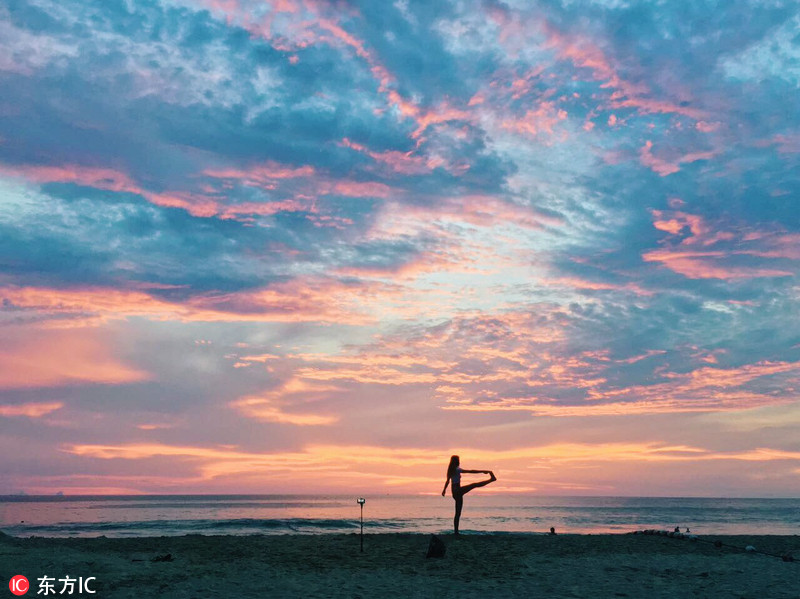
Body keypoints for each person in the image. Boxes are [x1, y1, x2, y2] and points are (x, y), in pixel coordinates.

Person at [441, 454, 496, 535]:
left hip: (455, 493)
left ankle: (456, 532)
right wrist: (483, 471)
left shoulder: (450, 470)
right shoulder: (457, 469)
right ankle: (491, 479)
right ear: (457, 461)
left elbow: (447, 481)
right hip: (458, 491)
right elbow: (471, 471)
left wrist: (444, 490)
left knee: (458, 513)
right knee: (474, 485)